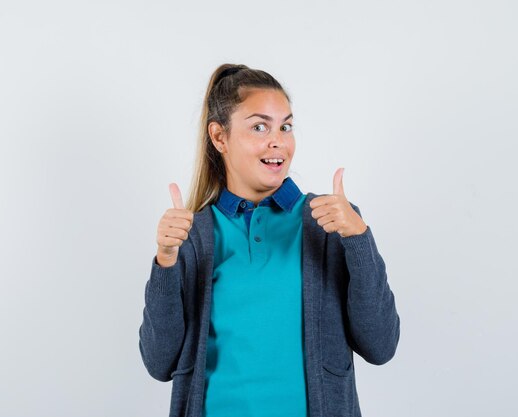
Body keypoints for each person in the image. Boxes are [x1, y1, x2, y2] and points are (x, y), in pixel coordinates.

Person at [138, 63, 401, 417]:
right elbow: (159, 362)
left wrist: (359, 239)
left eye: (285, 126)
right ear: (219, 138)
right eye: (259, 126)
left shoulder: (331, 221)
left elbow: (380, 346)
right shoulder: (193, 234)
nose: (277, 140)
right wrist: (166, 260)